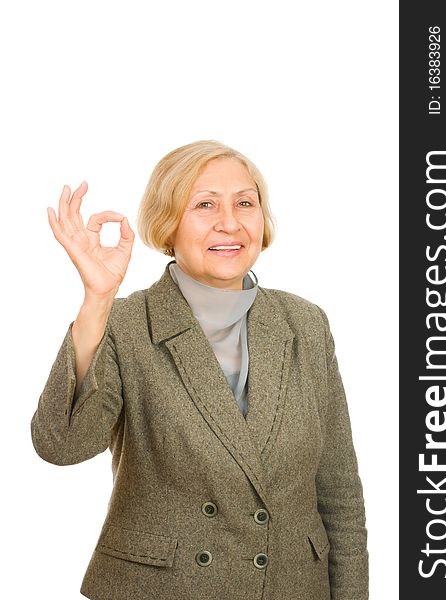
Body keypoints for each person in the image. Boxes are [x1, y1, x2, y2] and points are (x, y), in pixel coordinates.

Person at [31, 140, 369, 600]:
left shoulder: (305, 323)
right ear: (168, 224)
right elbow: (61, 446)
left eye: (245, 203)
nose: (229, 222)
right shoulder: (126, 324)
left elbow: (339, 493)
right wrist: (97, 301)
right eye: (205, 204)